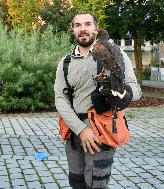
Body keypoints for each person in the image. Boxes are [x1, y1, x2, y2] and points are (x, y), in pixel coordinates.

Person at [54, 12, 141, 189]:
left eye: (87, 24)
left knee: (96, 184)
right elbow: (60, 99)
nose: (83, 29)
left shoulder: (114, 53)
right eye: (78, 25)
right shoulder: (65, 62)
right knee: (77, 182)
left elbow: (136, 89)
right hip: (74, 130)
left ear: (96, 28)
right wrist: (81, 130)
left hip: (102, 130)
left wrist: (122, 93)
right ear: (73, 30)